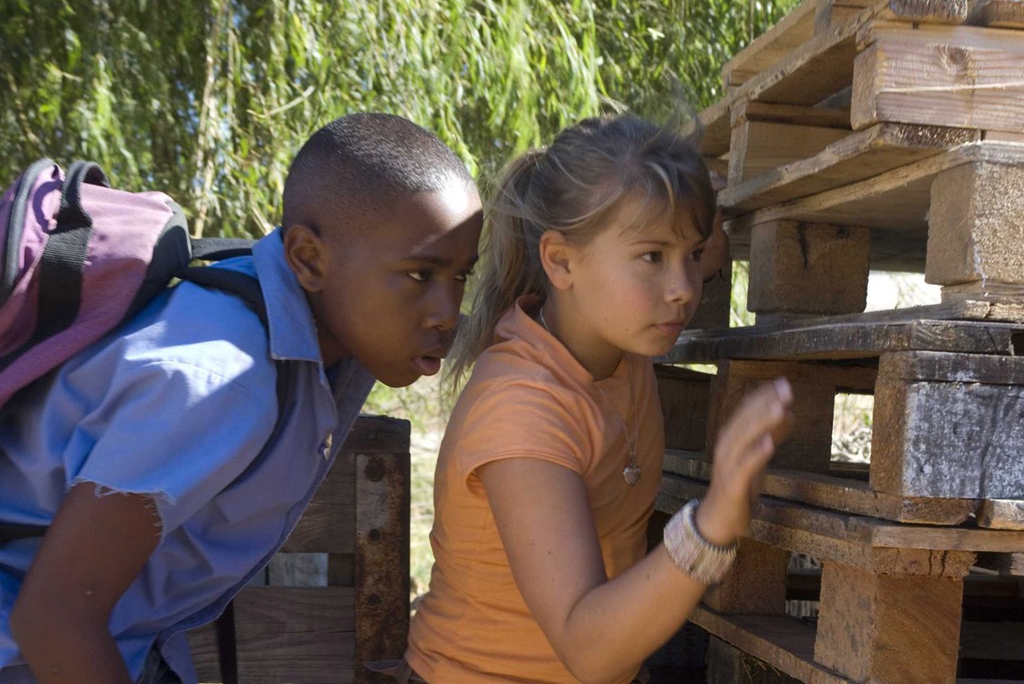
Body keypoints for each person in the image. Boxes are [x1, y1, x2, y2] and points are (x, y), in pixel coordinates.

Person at [0, 113, 483, 684]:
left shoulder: (278, 292)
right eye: (419, 275)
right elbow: (53, 621)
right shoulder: (221, 385)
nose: (445, 313)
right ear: (308, 258)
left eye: (460, 277)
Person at [400, 113, 793, 684]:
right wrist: (711, 526)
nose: (683, 287)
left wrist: (691, 214)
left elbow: (701, 246)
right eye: (653, 256)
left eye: (691, 253)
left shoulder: (615, 328)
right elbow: (586, 650)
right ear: (560, 261)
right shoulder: (522, 408)